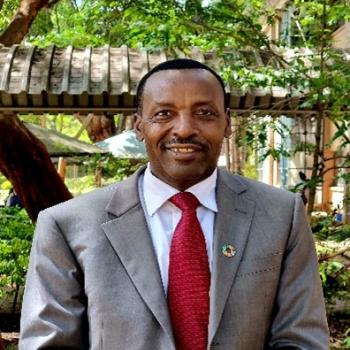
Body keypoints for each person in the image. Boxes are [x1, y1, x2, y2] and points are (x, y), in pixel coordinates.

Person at [20, 59, 329, 349]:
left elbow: (301, 338)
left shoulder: (279, 215)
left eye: (205, 112)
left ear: (228, 123)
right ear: (139, 126)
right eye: (164, 113)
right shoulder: (67, 226)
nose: (184, 129)